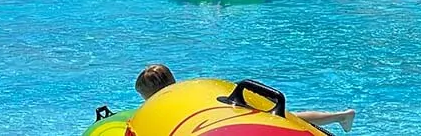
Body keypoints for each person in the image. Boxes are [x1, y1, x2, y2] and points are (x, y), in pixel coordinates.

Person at [134, 64, 356, 132]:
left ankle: (341, 116)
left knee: (288, 119)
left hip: (223, 117)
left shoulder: (164, 106)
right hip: (232, 109)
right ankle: (340, 116)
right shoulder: (189, 89)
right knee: (290, 118)